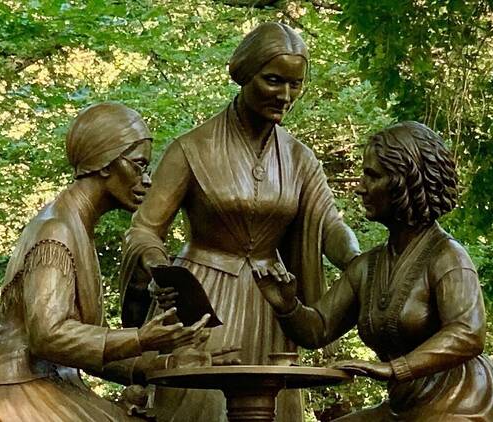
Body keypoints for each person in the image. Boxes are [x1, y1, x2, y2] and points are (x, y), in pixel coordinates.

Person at [118, 22, 360, 422]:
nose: (285, 95)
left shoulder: (301, 159)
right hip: (203, 302)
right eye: (273, 80)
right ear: (245, 74)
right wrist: (159, 270)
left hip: (273, 304)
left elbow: (330, 225)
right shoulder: (191, 148)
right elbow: (145, 228)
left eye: (295, 85)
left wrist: (359, 264)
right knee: (201, 405)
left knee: (273, 406)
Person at [254, 121, 493, 421]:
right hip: (404, 408)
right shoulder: (368, 266)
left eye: (373, 176)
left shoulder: (448, 257)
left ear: (405, 182)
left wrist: (395, 368)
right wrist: (287, 306)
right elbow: (319, 329)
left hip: (466, 405)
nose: (360, 187)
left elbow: (468, 333)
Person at [0, 102, 208, 421]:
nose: (147, 180)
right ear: (105, 163)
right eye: (139, 165)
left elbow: (88, 346)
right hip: (14, 393)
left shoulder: (75, 227)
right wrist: (140, 339)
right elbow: (48, 336)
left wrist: (165, 363)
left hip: (45, 386)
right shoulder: (57, 231)